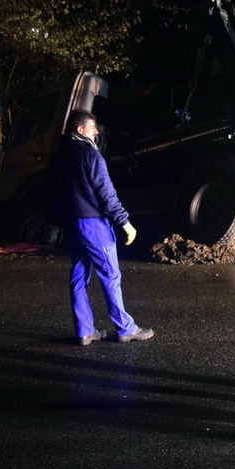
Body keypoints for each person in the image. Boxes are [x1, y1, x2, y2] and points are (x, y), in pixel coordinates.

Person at [50, 109, 154, 346]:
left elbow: (51, 193)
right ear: (80, 129)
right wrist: (125, 222)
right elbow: (106, 193)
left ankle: (84, 331)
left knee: (79, 276)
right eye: (92, 127)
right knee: (110, 275)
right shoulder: (90, 155)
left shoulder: (57, 157)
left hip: (72, 224)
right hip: (93, 224)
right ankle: (126, 328)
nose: (96, 131)